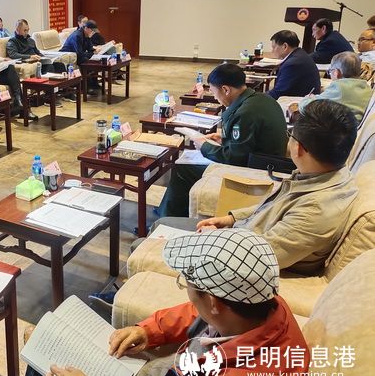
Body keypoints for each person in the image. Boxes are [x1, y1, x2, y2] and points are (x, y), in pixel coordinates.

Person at [21, 229, 308, 376]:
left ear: (213, 302)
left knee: (44, 370)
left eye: (187, 283)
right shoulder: (264, 305)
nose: (187, 292)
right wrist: (149, 330)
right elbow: (198, 314)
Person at [151, 99, 358, 275]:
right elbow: (271, 208)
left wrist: (215, 237)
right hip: (242, 233)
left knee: (150, 238)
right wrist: (231, 219)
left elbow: (258, 256)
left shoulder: (316, 210)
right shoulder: (323, 177)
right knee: (160, 225)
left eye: (291, 137)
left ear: (299, 149)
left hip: (236, 255)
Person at [157, 62, 288, 218]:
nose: (214, 97)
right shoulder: (262, 99)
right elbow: (250, 139)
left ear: (226, 89)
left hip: (258, 168)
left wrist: (204, 147)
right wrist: (225, 139)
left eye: (214, 92)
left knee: (183, 169)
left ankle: (166, 218)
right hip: (269, 160)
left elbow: (234, 158)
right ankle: (172, 211)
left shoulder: (245, 112)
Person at [296, 52, 372, 122]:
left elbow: (308, 107)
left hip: (339, 130)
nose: (330, 74)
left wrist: (307, 98)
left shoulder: (340, 88)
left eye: (330, 71)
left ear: (336, 73)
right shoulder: (366, 88)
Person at [266, 30, 321, 100]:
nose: (272, 51)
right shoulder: (299, 54)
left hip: (300, 102)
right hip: (304, 97)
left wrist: (257, 98)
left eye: (274, 47)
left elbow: (278, 93)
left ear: (285, 46)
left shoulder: (292, 64)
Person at [61, 19, 99, 92]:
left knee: (95, 61)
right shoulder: (77, 36)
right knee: (85, 61)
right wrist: (92, 53)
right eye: (92, 31)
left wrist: (95, 50)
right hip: (68, 55)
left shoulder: (87, 35)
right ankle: (86, 87)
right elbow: (79, 53)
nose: (93, 33)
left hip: (77, 54)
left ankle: (94, 84)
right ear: (86, 28)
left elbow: (90, 48)